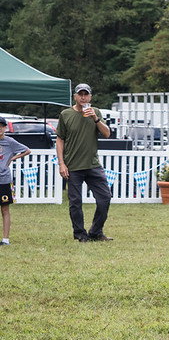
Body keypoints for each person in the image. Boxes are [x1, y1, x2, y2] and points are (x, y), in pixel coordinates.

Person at [56, 83, 114, 242]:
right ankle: (80, 235)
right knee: (75, 203)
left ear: (90, 97)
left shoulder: (95, 112)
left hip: (93, 165)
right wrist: (61, 163)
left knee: (105, 198)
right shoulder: (65, 114)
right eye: (80, 94)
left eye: (86, 94)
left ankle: (95, 232)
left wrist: (95, 119)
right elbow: (60, 139)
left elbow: (107, 134)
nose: (83, 97)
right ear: (75, 97)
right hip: (73, 166)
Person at [0, 117, 31, 246]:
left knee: (5, 210)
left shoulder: (10, 142)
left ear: (5, 128)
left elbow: (27, 150)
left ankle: (6, 239)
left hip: (4, 180)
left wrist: (13, 158)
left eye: (1, 126)